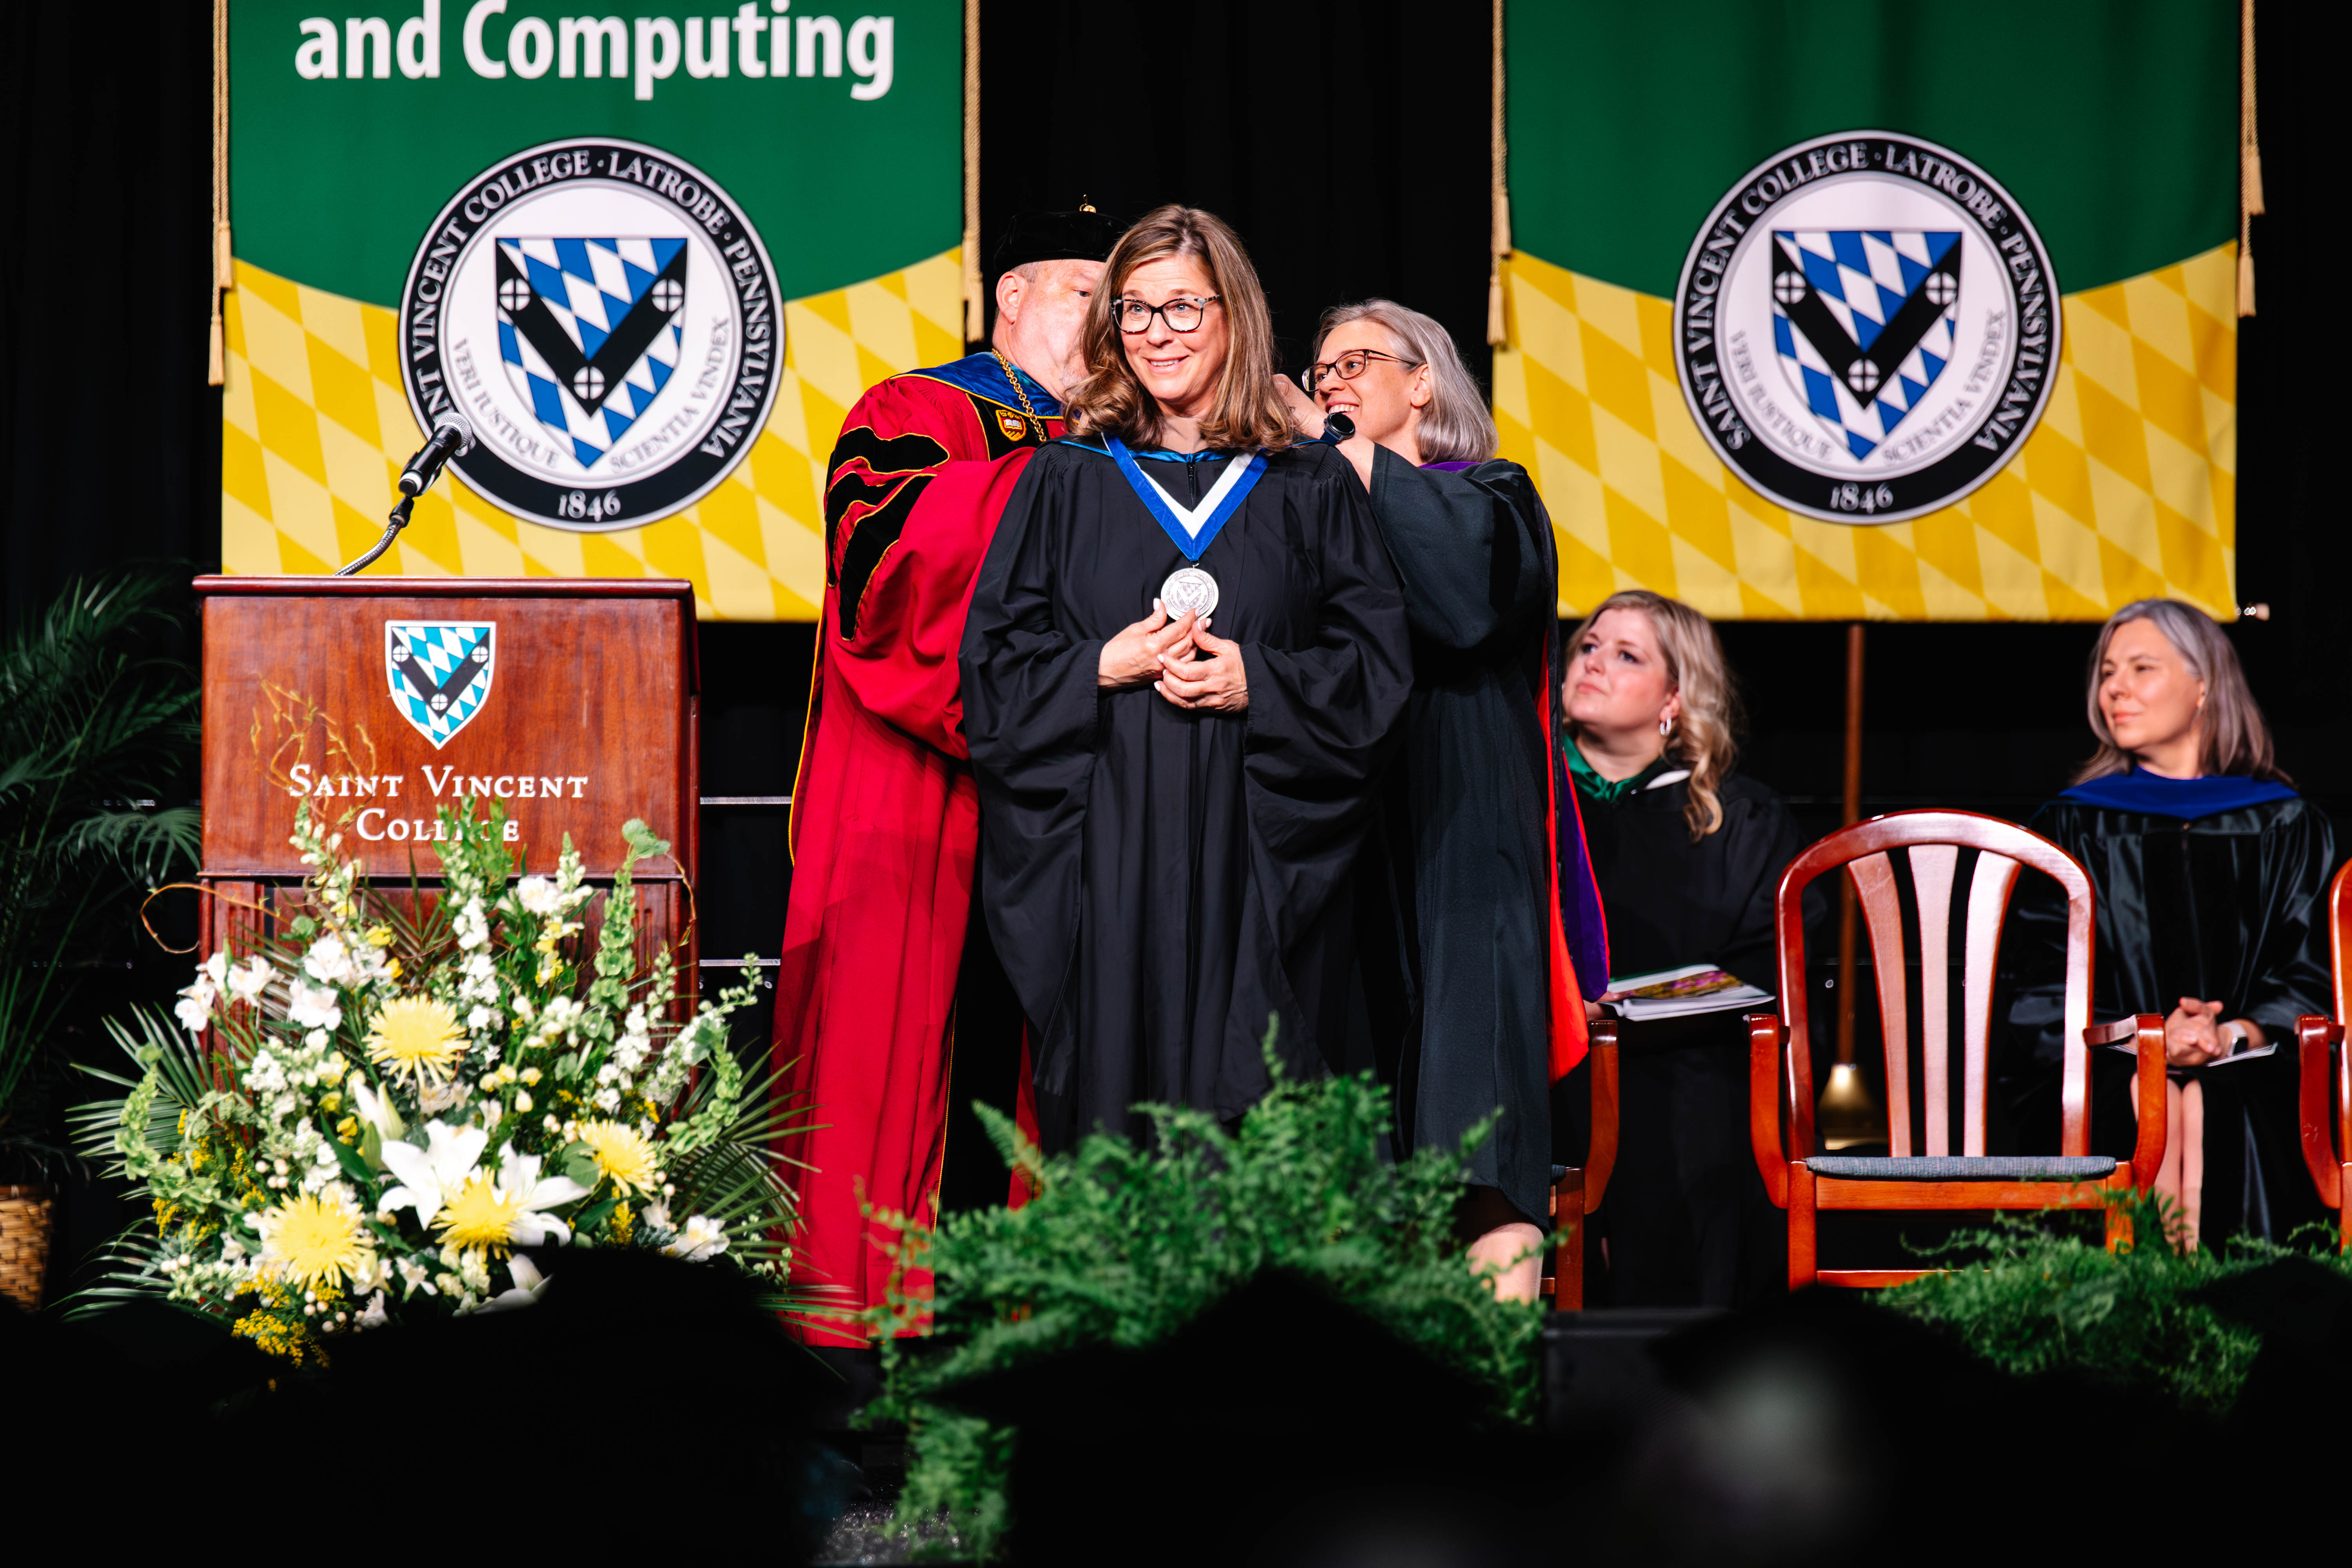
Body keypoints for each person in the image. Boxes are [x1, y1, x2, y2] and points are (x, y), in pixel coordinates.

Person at [960, 206, 1412, 1154]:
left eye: (1181, 308)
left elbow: (1375, 669)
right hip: (1107, 859)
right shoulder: (1064, 479)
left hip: (1263, 864)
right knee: (1119, 1132)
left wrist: (1266, 681)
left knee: (1264, 1128)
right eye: (1133, 310)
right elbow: (993, 671)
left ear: (1234, 315)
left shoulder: (1309, 485)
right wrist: (1097, 664)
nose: (1156, 334)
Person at [775, 206, 1122, 1347]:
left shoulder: (1141, 440)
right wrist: (1072, 490)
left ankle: (1038, 1336)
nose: (1112, 312)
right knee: (904, 1052)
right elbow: (885, 565)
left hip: (1086, 793)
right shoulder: (919, 409)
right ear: (1011, 295)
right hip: (922, 793)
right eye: (1085, 288)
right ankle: (874, 1351)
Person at [1275, 299, 1605, 1303]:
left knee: (1477, 1119)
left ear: (1423, 381)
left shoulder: (1494, 494)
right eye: (1319, 367)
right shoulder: (1312, 516)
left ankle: (1496, 1398)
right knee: (1357, 1130)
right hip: (1344, 843)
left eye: (1356, 362)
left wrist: (1335, 448)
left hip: (1465, 838)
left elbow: (1467, 602)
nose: (1331, 379)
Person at [2002, 599, 2331, 1248]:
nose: (2115, 688)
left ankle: (2232, 1324)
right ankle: (2136, 1319)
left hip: (2259, 1061)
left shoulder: (2285, 823)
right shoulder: (2072, 825)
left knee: (2210, 1102)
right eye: (2107, 673)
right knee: (2156, 1100)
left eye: (2141, 668)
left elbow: (2313, 968)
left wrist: (2230, 1032)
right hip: (2100, 1065)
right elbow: (2041, 985)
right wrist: (2148, 1039)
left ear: (2204, 683)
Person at [1561, 591, 1797, 1306]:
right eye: (1589, 646)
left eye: (1626, 655)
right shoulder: (1528, 798)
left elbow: (1773, 965)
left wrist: (1643, 1001)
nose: (1593, 663)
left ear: (1675, 696)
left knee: (1705, 1109)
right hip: (1552, 1060)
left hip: (1690, 1074)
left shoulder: (1739, 818)